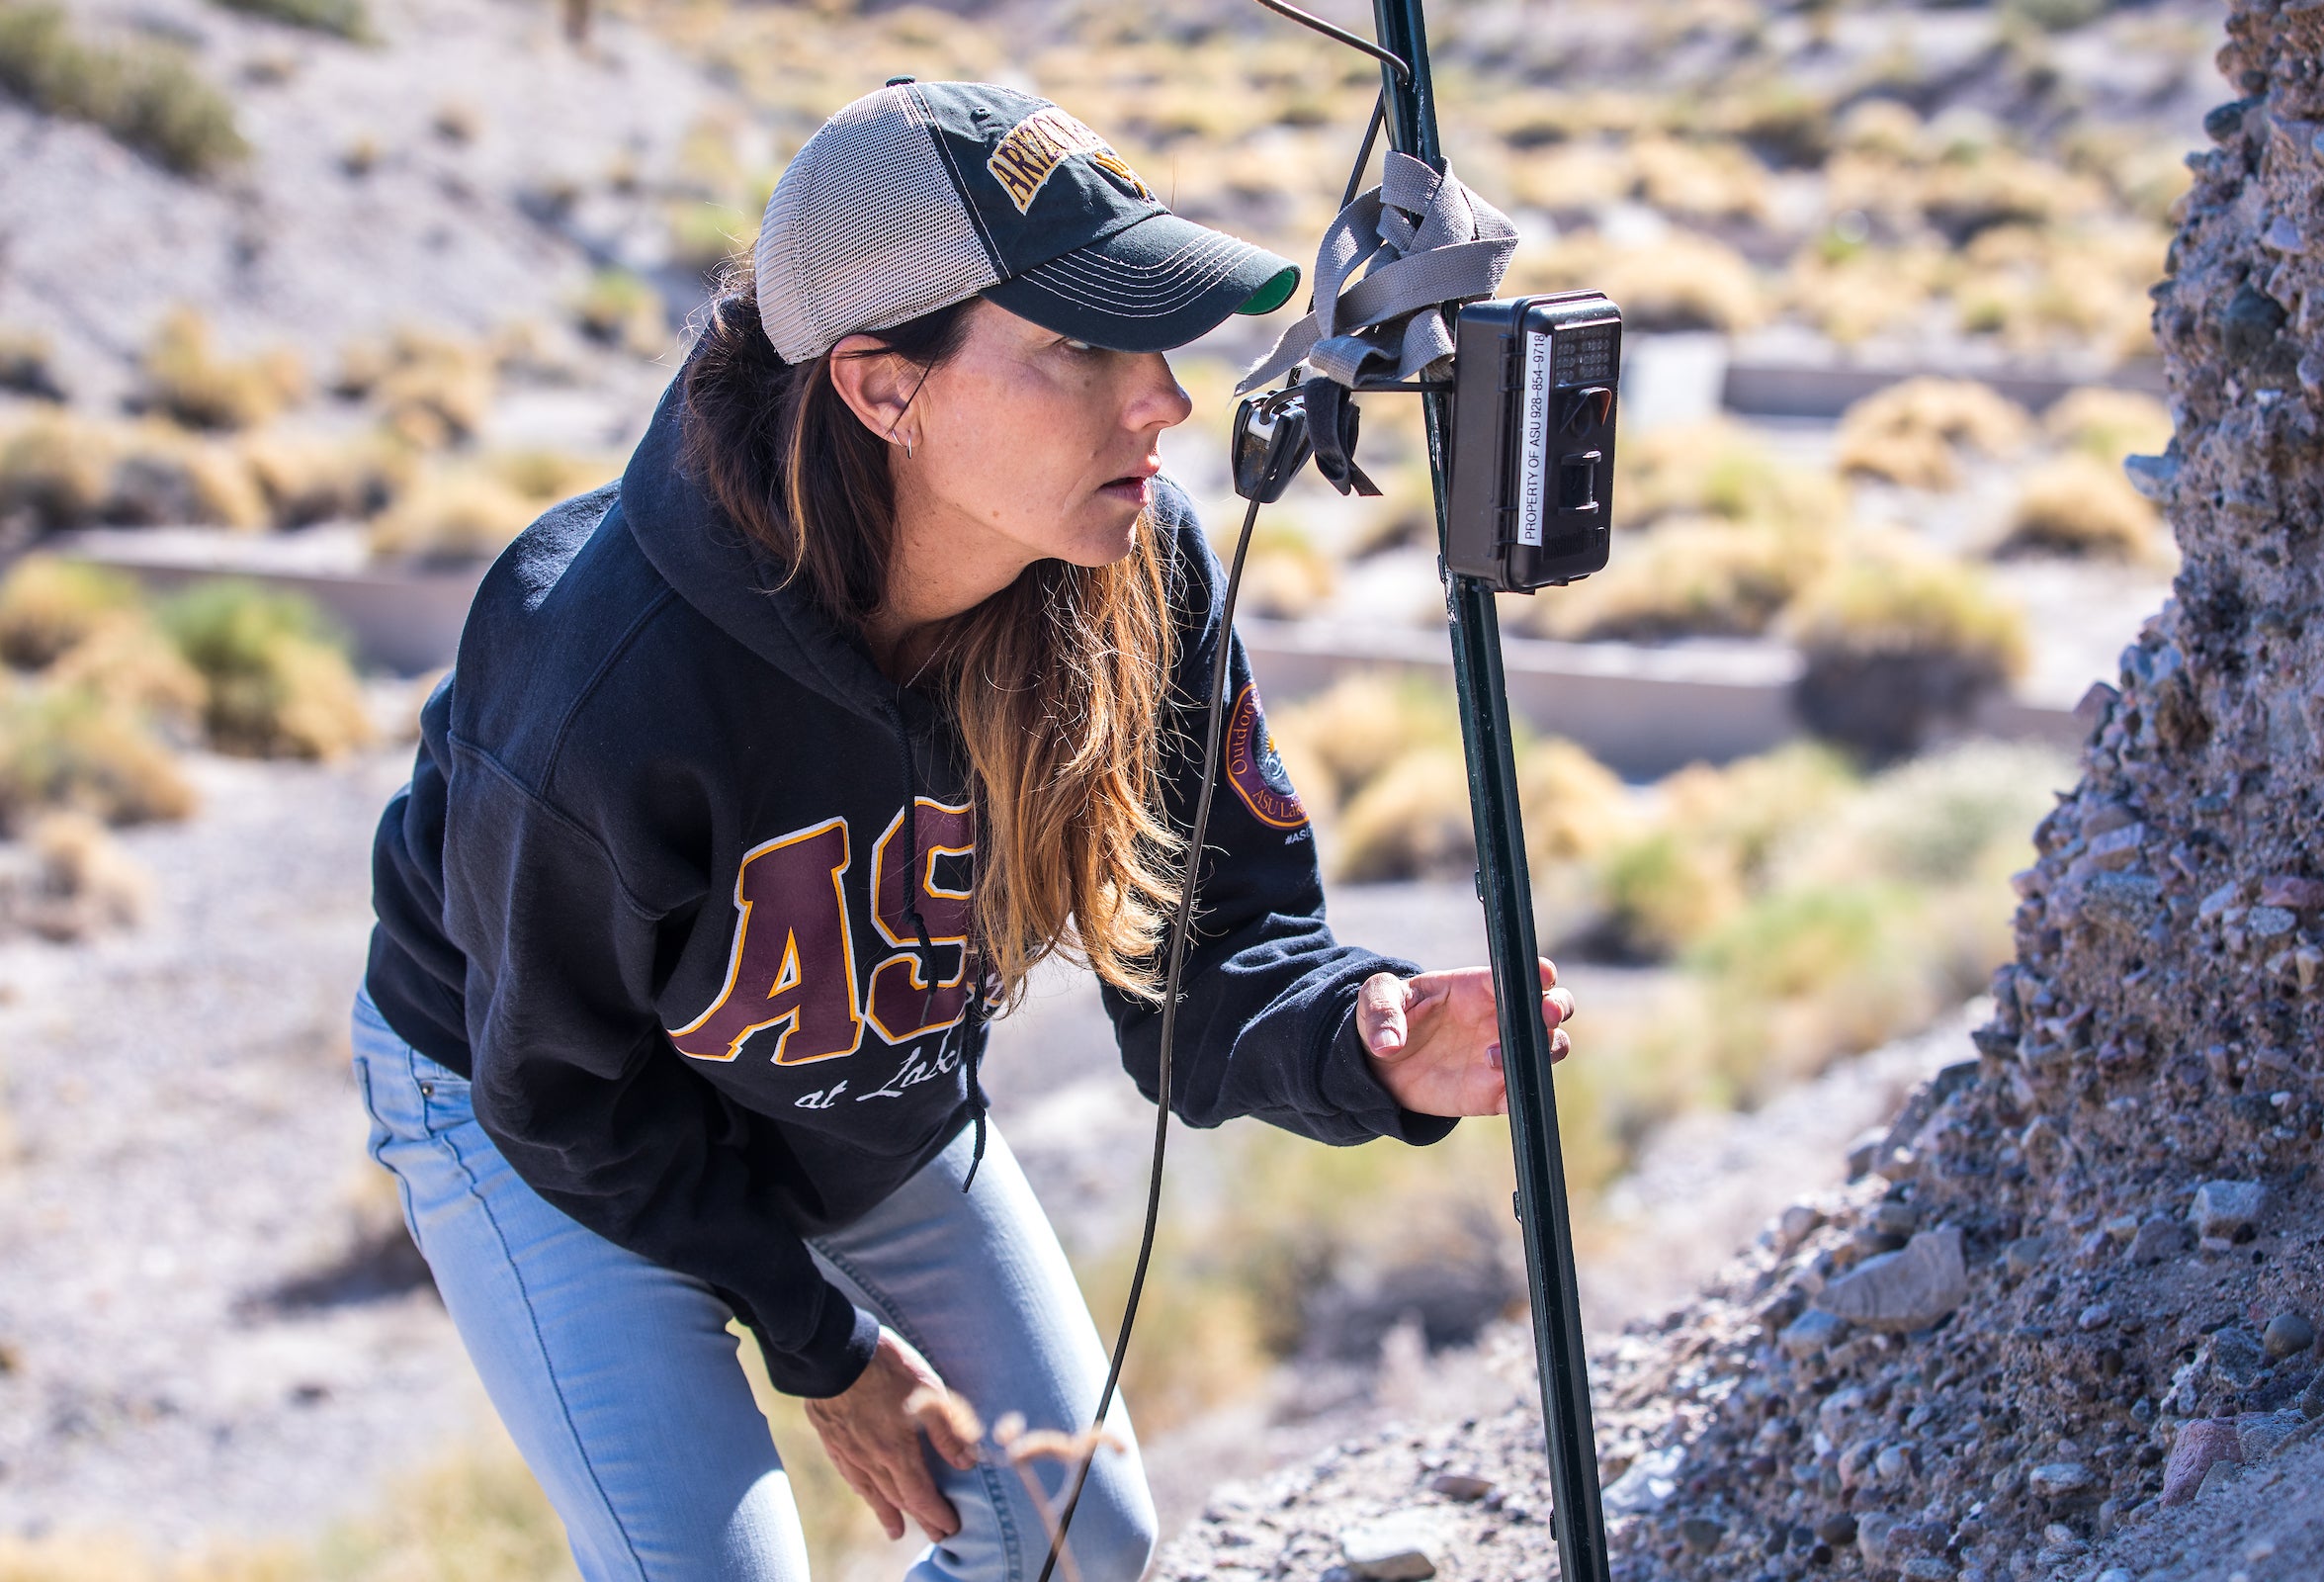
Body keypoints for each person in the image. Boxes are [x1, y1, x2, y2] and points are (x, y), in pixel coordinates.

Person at [355, 78, 1574, 1582]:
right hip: (536, 1103)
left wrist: (1363, 1037)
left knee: (1078, 1537)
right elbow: (557, 1083)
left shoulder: (1135, 573)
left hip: (845, 1082)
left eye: (1156, 337)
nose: (1165, 402)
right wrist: (822, 1345)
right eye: (1081, 347)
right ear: (881, 388)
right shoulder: (606, 675)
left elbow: (1208, 957)